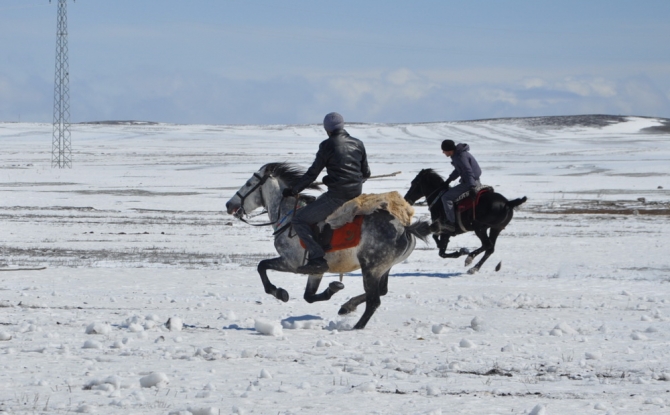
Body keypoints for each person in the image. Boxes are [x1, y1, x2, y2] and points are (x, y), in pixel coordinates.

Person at [283, 112, 371, 274]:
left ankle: (317, 258)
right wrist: (351, 180)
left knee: (299, 220)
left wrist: (294, 190)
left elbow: (312, 174)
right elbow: (366, 173)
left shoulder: (327, 146)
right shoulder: (358, 144)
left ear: (327, 129)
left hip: (337, 197)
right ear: (342, 126)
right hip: (356, 195)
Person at [438, 139, 481, 233]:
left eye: (444, 150)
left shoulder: (460, 156)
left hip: (470, 182)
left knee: (446, 197)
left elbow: (469, 172)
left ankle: (452, 223)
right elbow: (459, 170)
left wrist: (471, 187)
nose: (443, 152)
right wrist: (449, 180)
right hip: (471, 181)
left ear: (449, 150)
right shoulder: (458, 155)